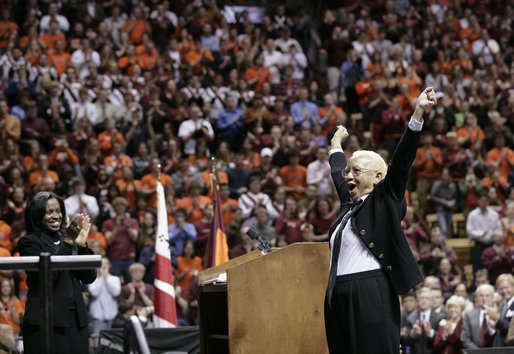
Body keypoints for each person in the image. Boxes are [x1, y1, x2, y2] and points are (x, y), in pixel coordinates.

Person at [323, 87, 437, 353]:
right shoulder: (350, 205)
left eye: (357, 171)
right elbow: (338, 172)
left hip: (369, 291)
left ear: (377, 177)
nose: (349, 176)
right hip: (337, 293)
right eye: (349, 171)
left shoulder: (386, 199)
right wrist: (335, 146)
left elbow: (402, 161)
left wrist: (418, 113)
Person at [18, 192, 96, 354]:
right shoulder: (29, 242)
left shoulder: (68, 237)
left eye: (58, 211)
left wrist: (82, 246)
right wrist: (68, 242)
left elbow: (89, 277)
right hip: (46, 322)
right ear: (36, 215)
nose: (56, 216)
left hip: (77, 321)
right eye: (49, 212)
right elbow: (49, 277)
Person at [87, 257, 121, 347]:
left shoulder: (115, 279)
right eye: (101, 264)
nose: (104, 266)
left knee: (113, 345)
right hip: (98, 317)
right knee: (98, 344)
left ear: (109, 266)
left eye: (106, 263)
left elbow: (116, 292)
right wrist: (102, 277)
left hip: (112, 317)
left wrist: (106, 277)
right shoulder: (93, 280)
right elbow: (94, 293)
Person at [460, 283, 497, 348]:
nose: (484, 298)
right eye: (481, 295)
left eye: (487, 295)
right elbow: (464, 338)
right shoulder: (469, 315)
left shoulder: (499, 313)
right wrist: (478, 352)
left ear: (493, 297)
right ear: (476, 297)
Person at [493, 273, 514, 347]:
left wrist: (498, 319)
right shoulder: (500, 306)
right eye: (501, 288)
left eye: (506, 287)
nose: (504, 291)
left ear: (513, 286)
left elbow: (511, 329)